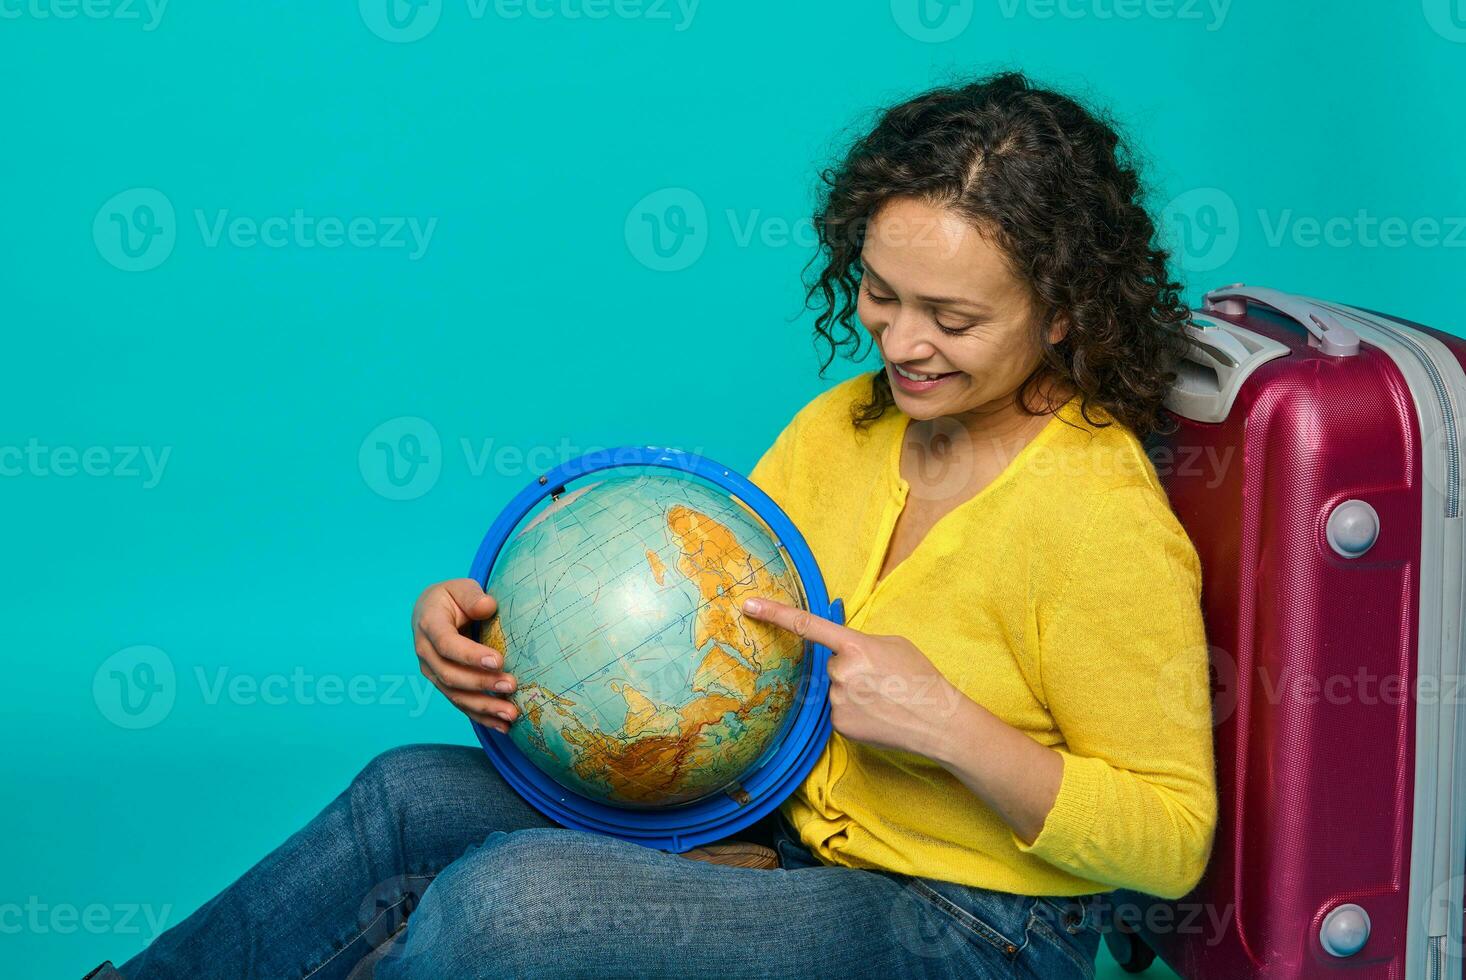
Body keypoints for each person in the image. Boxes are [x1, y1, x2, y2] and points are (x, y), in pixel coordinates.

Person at [91, 70, 1217, 980]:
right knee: (406, 794)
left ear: (1064, 306)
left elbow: (1168, 843)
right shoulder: (844, 425)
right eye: (879, 293)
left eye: (953, 316)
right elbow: (718, 624)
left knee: (509, 908)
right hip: (786, 830)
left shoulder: (1100, 518)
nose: (901, 342)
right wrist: (497, 635)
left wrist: (952, 725)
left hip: (972, 925)